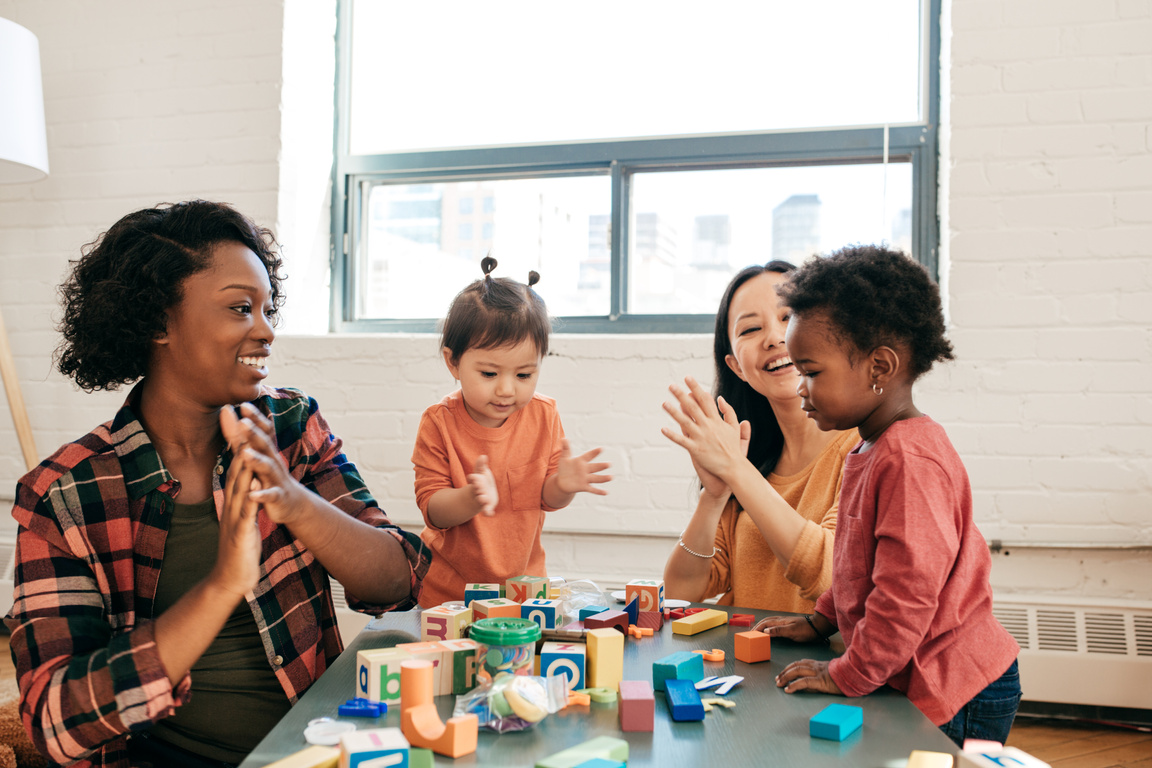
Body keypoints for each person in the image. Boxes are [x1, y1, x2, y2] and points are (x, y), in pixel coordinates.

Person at [5, 201, 430, 768]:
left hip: (321, 747)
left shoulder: (291, 428)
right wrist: (223, 583)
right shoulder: (65, 495)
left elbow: (400, 579)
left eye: (266, 308)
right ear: (159, 322)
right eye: (239, 308)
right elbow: (56, 724)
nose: (266, 330)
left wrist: (293, 500)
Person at [757, 244, 1021, 747]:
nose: (800, 389)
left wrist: (847, 673)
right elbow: (859, 561)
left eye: (811, 372)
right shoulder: (870, 444)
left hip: (955, 685)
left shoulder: (909, 461)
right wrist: (823, 618)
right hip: (911, 670)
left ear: (879, 366)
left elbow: (906, 595)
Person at [412, 257, 611, 608]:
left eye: (524, 375)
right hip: (450, 597)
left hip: (527, 593)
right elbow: (432, 509)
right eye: (489, 374)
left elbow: (546, 499)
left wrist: (563, 486)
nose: (507, 390)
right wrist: (470, 499)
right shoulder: (438, 422)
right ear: (453, 362)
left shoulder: (544, 415)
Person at [661, 262, 858, 612]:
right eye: (751, 328)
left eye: (789, 317)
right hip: (747, 666)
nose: (774, 338)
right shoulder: (750, 460)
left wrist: (736, 469)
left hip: (825, 667)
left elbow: (830, 577)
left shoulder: (862, 449)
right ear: (736, 366)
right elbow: (680, 591)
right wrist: (715, 496)